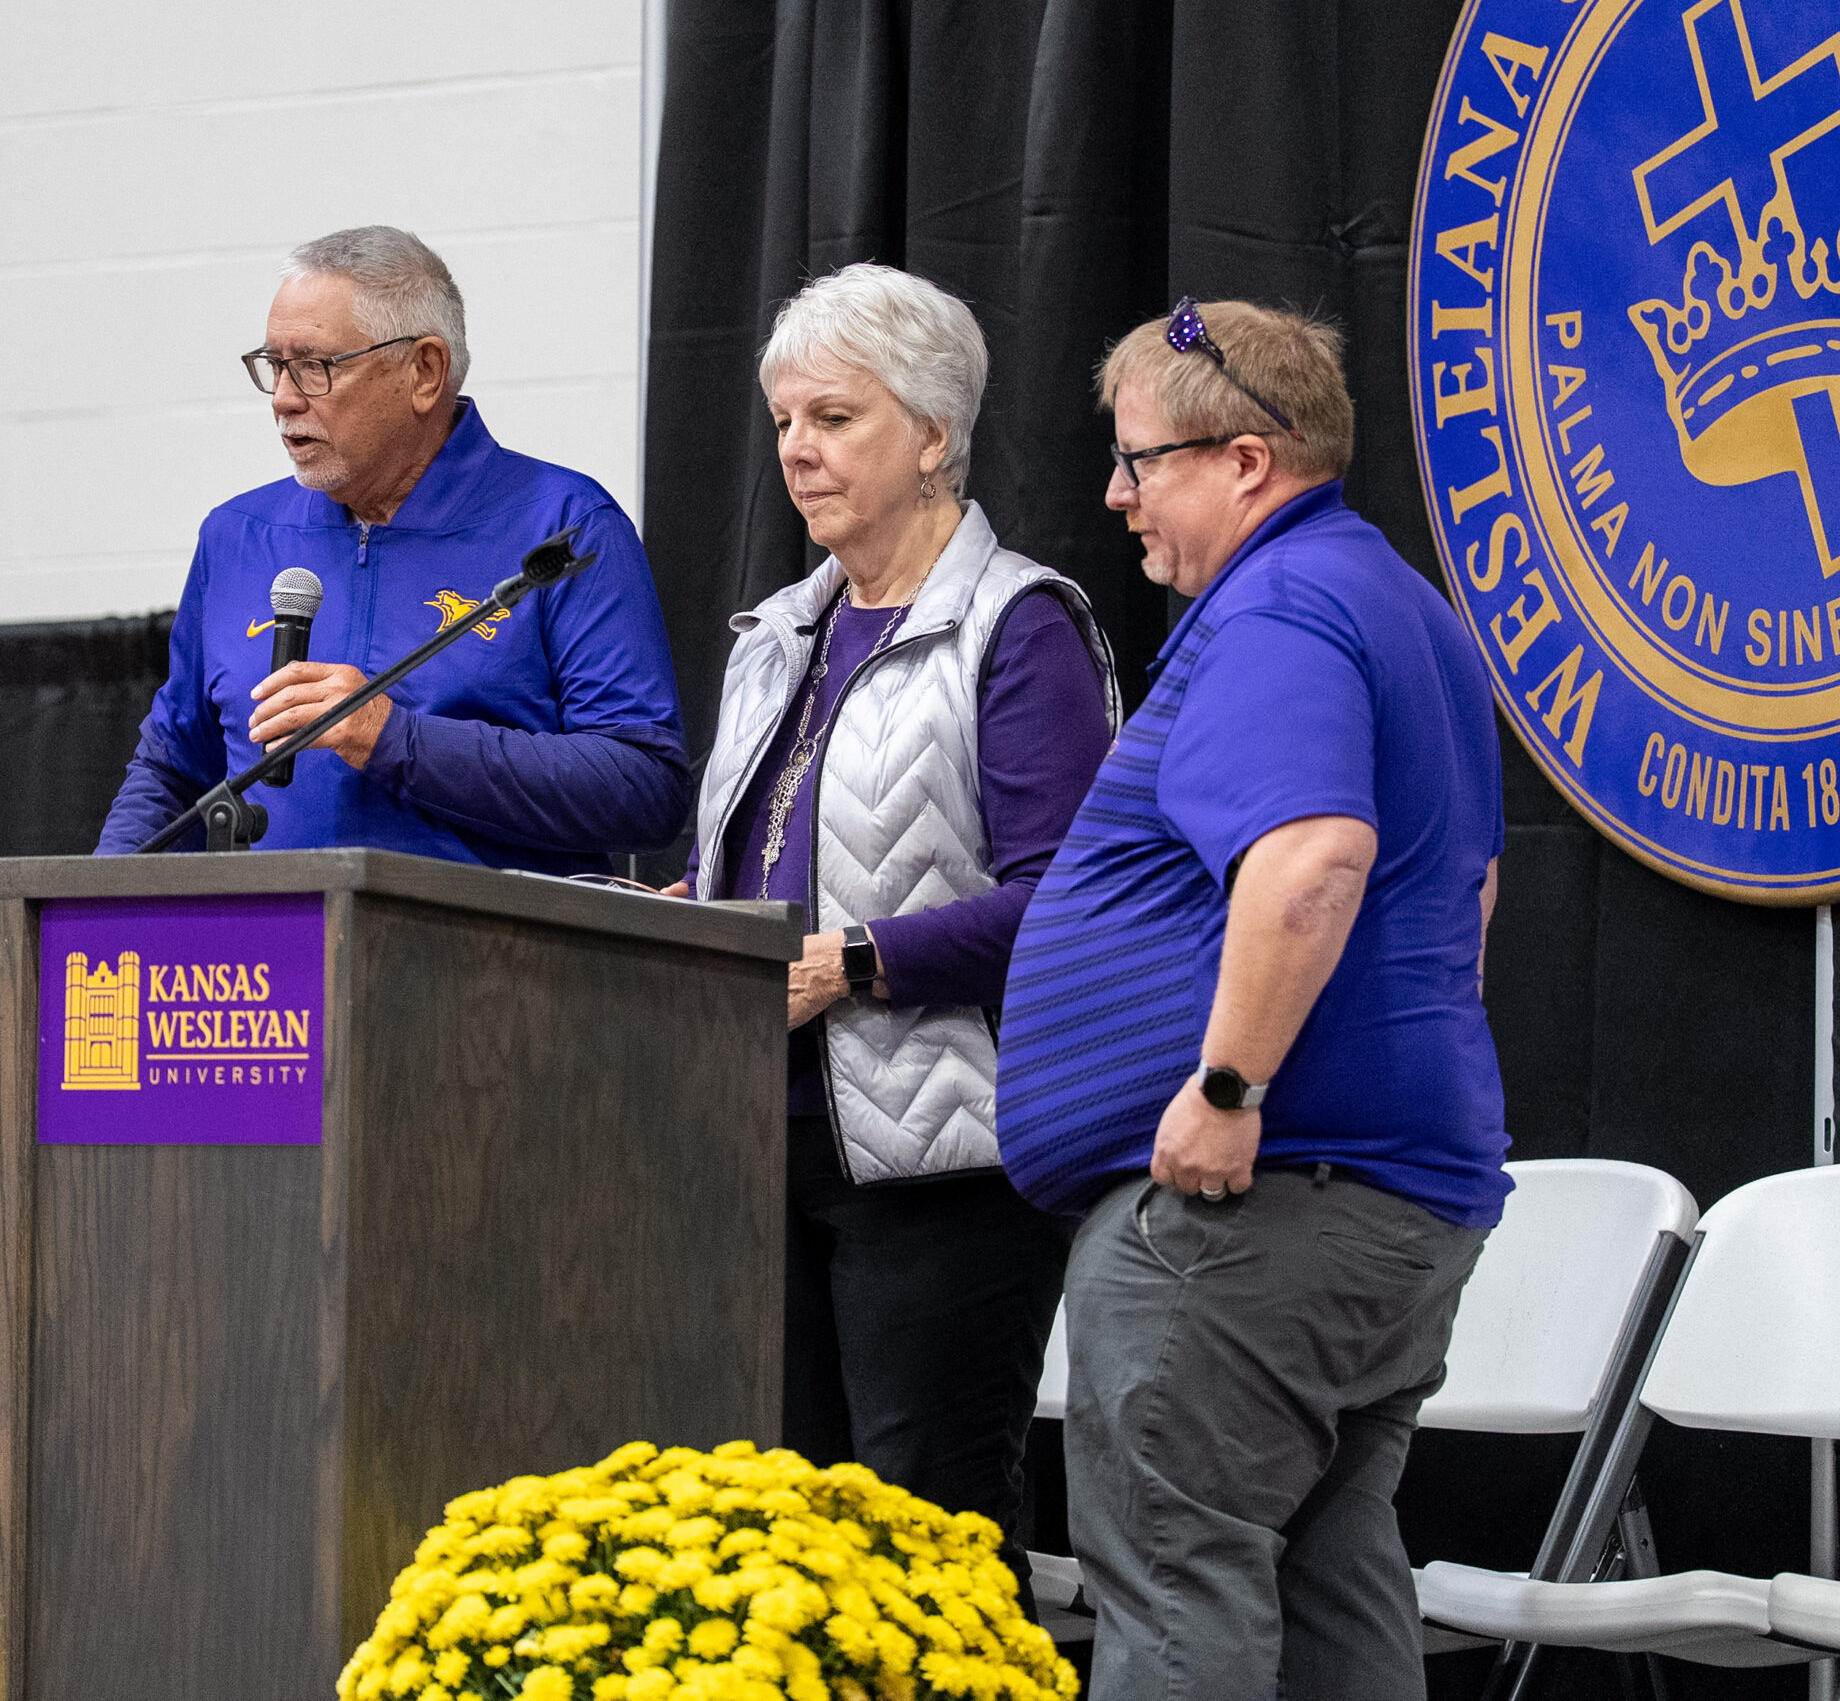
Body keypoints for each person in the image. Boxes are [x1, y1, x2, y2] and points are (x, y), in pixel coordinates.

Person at [996, 298, 1508, 1699]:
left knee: (1175, 1575)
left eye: (1140, 461)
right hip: (1394, 1193)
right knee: (1329, 1564)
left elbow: (1312, 856)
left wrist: (1228, 1089)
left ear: (1244, 460)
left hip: (1255, 1208)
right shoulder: (1400, 601)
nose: (1117, 495)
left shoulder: (1278, 606)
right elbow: (1464, 896)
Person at [678, 263, 1119, 1607]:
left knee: (928, 1539)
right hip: (767, 1140)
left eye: (834, 417)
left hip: (947, 1159)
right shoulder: (777, 633)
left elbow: (1070, 898)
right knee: (789, 1542)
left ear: (931, 435)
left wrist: (856, 960)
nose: (797, 451)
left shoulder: (1022, 625)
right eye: (783, 422)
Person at [99, 226, 690, 871]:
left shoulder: (563, 528)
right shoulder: (238, 534)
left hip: (490, 960)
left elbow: (644, 788)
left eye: (316, 367)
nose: (284, 399)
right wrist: (86, 920)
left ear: (425, 373)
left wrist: (395, 738)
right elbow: (173, 769)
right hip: (269, 961)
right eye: (274, 365)